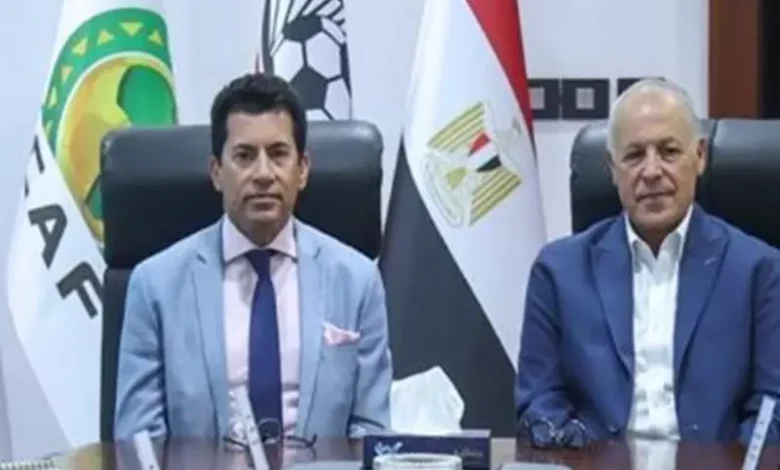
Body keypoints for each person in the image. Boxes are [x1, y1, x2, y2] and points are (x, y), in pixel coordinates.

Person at [113, 72, 392, 442]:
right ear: (217, 172)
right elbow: (139, 441)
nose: (263, 174)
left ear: (302, 169)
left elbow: (371, 434)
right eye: (244, 156)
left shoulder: (357, 281)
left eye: (278, 154)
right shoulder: (155, 285)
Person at [515, 78, 780, 448]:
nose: (652, 171)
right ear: (612, 168)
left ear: (700, 156)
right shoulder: (559, 272)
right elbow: (539, 402)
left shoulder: (760, 271)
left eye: (669, 151)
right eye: (634, 155)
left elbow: (772, 406)